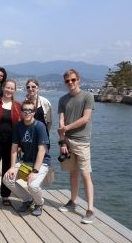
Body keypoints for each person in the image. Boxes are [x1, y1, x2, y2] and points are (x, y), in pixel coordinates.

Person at [57, 69, 95, 224]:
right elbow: (60, 122)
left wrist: (66, 128)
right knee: (73, 173)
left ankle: (90, 209)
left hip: (82, 141)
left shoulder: (88, 96)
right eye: (67, 81)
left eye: (73, 80)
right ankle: (73, 201)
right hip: (68, 141)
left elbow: (85, 119)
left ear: (78, 79)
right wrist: (62, 141)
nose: (70, 83)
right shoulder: (62, 99)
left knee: (86, 174)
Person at [3, 99, 51, 217]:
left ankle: (39, 203)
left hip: (42, 162)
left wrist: (35, 171)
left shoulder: (39, 126)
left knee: (33, 185)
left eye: (30, 110)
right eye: (25, 110)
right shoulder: (18, 126)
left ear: (34, 112)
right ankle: (27, 199)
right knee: (7, 179)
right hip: (26, 161)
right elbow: (14, 148)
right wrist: (12, 167)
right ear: (21, 112)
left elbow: (42, 150)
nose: (27, 113)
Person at [0, 79, 22, 206]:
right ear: (3, 88)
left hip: (11, 143)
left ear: (14, 91)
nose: (9, 90)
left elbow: (21, 126)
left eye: (11, 88)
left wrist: (20, 145)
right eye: (7, 88)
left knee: (8, 168)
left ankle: (5, 195)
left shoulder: (17, 106)